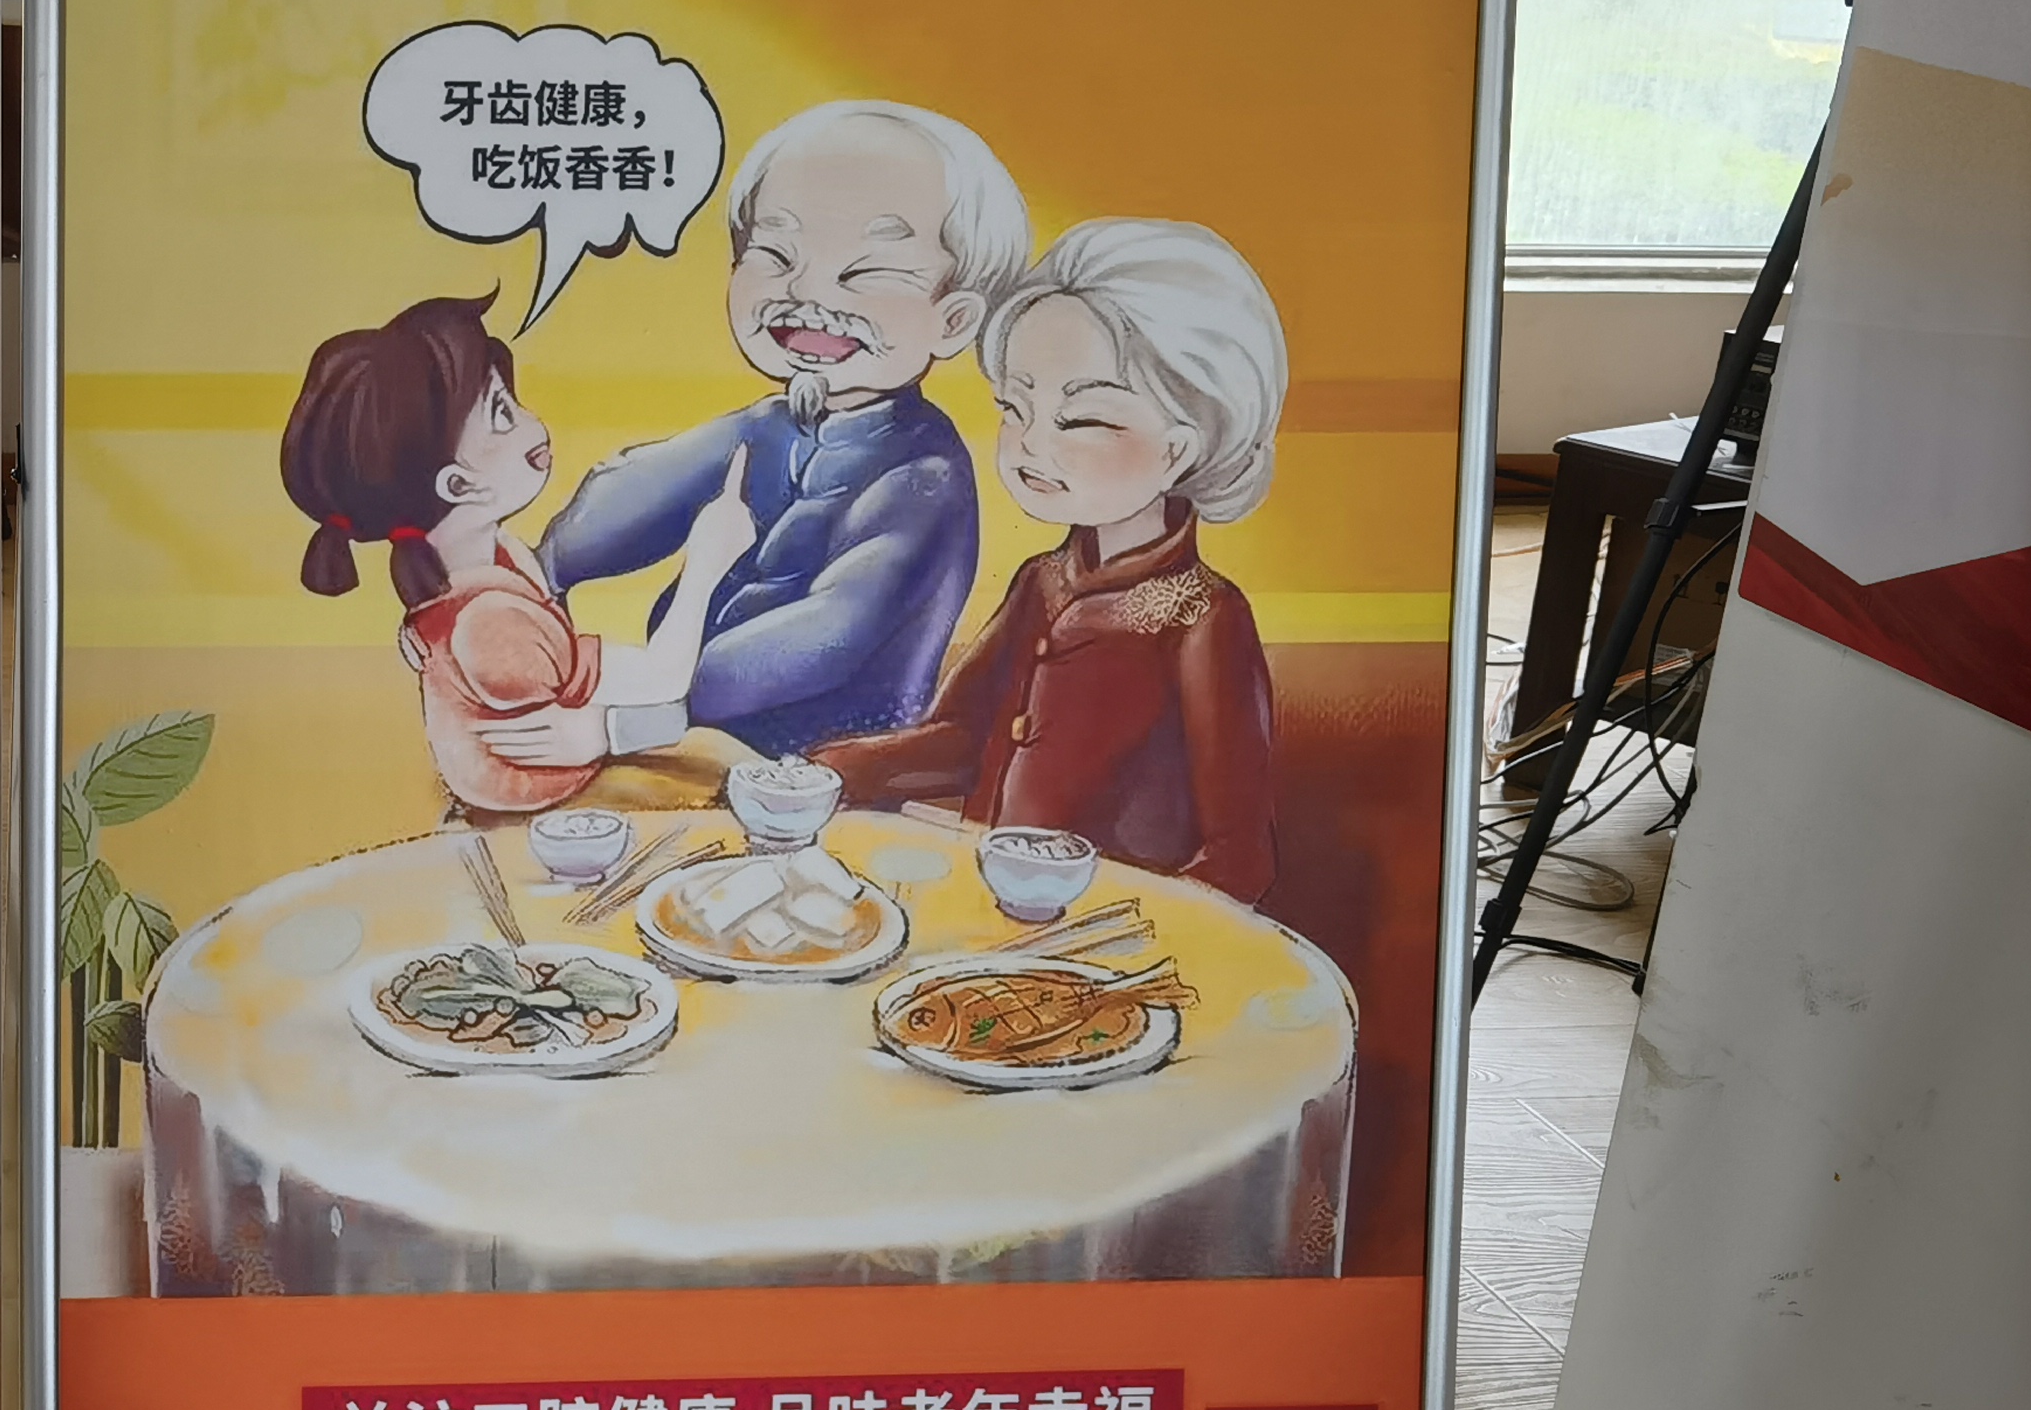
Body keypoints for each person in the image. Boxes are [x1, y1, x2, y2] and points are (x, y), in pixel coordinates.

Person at [489, 99, 1031, 772]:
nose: (807, 291)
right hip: (677, 719)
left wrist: (625, 709)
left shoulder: (924, 476)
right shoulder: (771, 425)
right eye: (774, 255)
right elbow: (629, 500)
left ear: (952, 322)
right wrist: (527, 577)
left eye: (866, 273)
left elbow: (825, 637)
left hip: (822, 763)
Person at [818, 216, 1288, 904]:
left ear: (1178, 450)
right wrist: (841, 769)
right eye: (1015, 408)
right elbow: (963, 737)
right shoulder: (1042, 580)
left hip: (1108, 936)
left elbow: (1239, 855)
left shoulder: (1203, 616)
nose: (1031, 444)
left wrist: (1140, 923)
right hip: (985, 906)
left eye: (1080, 420)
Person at [280, 294, 755, 816]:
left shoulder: (481, 561)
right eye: (502, 414)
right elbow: (661, 678)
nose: (533, 424)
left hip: (569, 751)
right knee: (724, 768)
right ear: (459, 484)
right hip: (544, 801)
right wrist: (706, 562)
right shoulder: (489, 623)